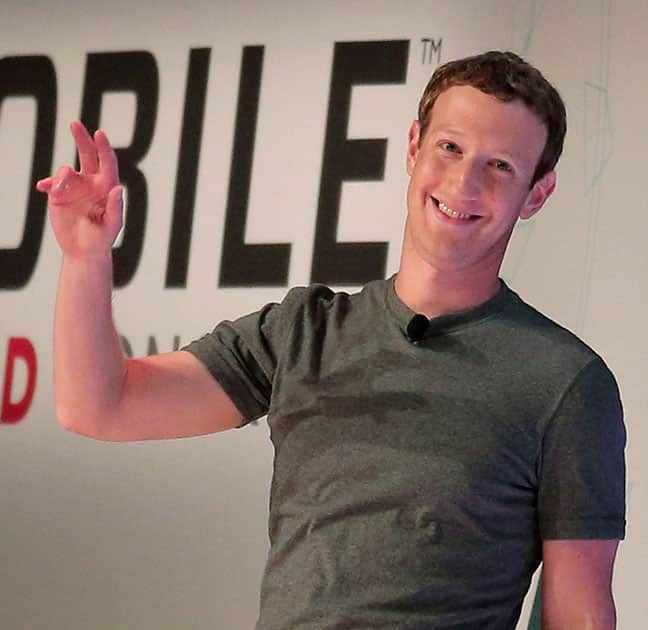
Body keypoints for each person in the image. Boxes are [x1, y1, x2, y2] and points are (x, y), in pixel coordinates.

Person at [36, 51, 625, 629]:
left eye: (500, 167)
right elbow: (100, 406)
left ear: (537, 194)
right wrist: (86, 258)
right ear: (414, 146)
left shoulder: (564, 382)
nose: (464, 182)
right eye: (450, 147)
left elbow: (579, 614)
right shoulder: (302, 332)